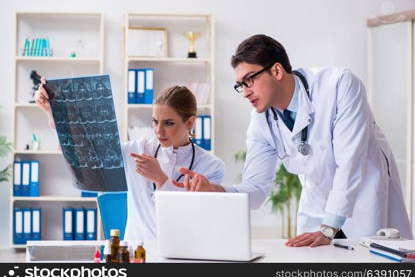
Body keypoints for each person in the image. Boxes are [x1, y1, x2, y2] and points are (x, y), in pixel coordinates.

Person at [174, 34, 413, 246]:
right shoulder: (261, 121)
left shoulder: (339, 85)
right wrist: (216, 190)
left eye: (249, 80)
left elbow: (350, 164)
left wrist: (329, 227)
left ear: (276, 71)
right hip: (317, 203)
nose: (245, 91)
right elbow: (256, 189)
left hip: (365, 197)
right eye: (240, 85)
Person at [34, 82, 225, 241]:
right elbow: (84, 154)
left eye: (168, 123)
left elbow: (193, 218)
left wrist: (161, 179)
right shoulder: (138, 149)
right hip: (136, 254)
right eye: (154, 122)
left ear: (190, 123)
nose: (159, 131)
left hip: (183, 256)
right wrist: (53, 113)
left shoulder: (211, 166)